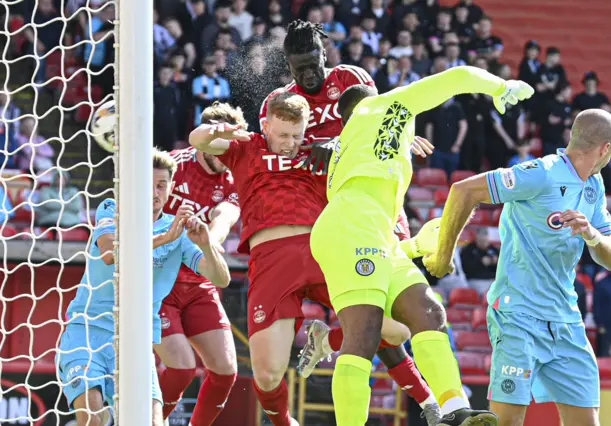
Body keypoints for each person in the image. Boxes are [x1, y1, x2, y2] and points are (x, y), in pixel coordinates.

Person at [310, 66, 533, 426]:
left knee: (427, 312)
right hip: (353, 225)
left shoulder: (360, 147)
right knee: (364, 332)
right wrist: (499, 86)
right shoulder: (381, 106)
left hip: (369, 230)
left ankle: (454, 410)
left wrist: (414, 245)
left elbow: (375, 224)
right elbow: (456, 76)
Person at [259, 20, 442, 424]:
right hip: (325, 214)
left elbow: (377, 125)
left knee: (397, 317)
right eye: (297, 67)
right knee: (372, 313)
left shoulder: (350, 79)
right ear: (287, 65)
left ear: (325, 55)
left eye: (312, 64)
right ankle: (431, 404)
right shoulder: (280, 100)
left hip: (375, 202)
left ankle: (335, 341)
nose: (306, 74)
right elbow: (274, 150)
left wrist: (339, 142)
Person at [425, 109, 611, 426]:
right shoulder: (540, 173)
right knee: (508, 421)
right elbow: (463, 191)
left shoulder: (593, 187)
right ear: (605, 149)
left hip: (565, 319)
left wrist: (592, 234)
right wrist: (443, 256)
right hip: (518, 315)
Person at [56, 149, 231, 426]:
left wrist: (207, 243)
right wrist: (163, 238)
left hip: (137, 341)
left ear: (171, 188)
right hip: (88, 331)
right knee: (91, 418)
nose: (154, 192)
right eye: (147, 184)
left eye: (161, 185)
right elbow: (110, 254)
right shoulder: (112, 209)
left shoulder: (180, 232)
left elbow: (221, 279)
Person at [155, 103, 241, 424]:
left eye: (228, 149)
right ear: (201, 143)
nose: (223, 155)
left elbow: (224, 220)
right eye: (216, 147)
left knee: (226, 371)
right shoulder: (172, 167)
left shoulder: (234, 179)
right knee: (182, 368)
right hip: (159, 284)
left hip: (199, 282)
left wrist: (209, 240)